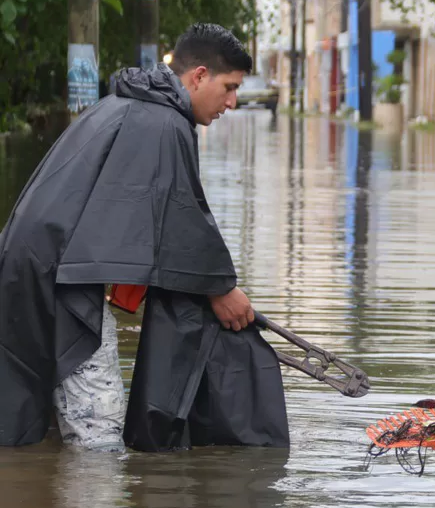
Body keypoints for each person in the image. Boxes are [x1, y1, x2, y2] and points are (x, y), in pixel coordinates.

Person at [0, 23, 289, 452]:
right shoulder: (163, 123)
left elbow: (153, 218)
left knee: (54, 428)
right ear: (199, 76)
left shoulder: (128, 105)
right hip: (59, 282)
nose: (232, 102)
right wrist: (221, 289)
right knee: (98, 437)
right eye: (229, 87)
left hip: (34, 267)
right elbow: (179, 222)